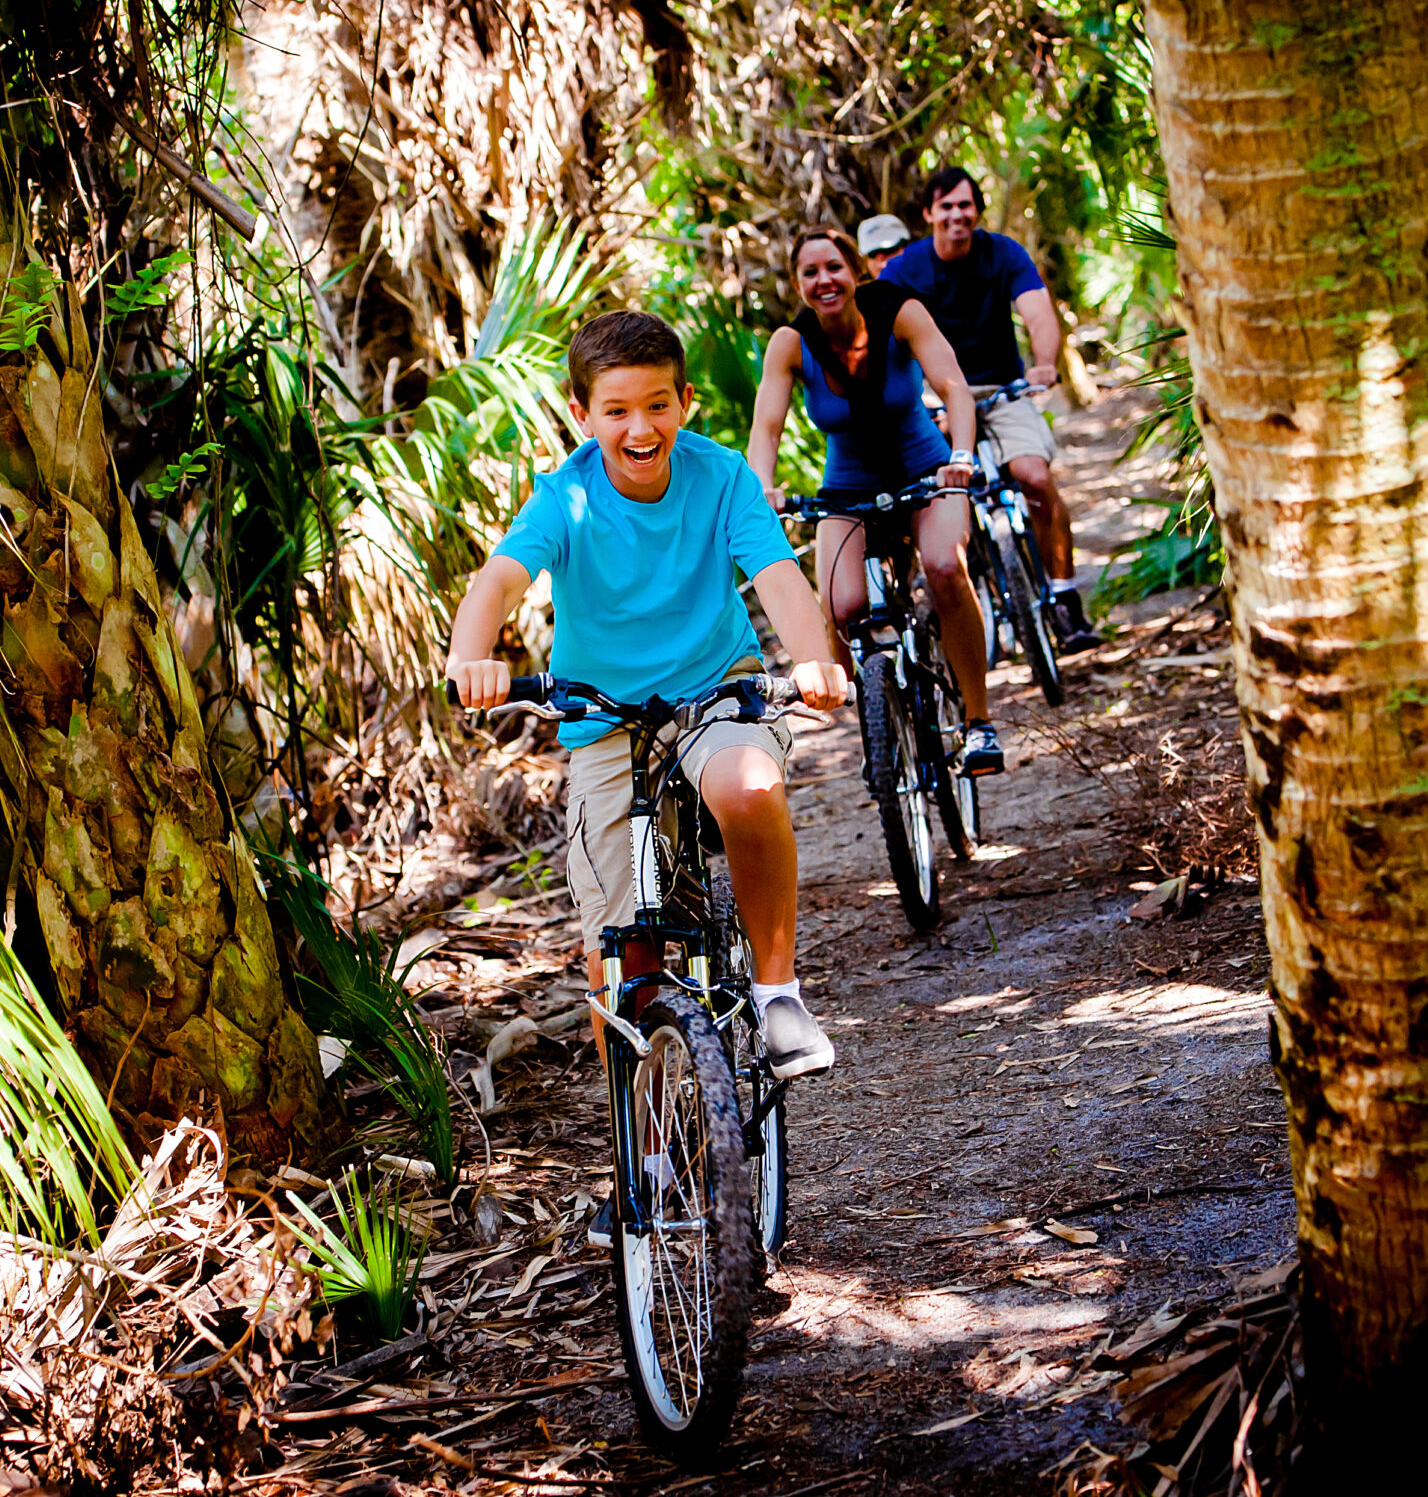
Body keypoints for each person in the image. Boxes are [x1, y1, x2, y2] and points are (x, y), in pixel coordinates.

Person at [446, 313, 852, 1241]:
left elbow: (781, 577)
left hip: (717, 694)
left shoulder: (719, 477)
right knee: (621, 954)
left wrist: (814, 656)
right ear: (583, 412)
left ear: (684, 402)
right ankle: (650, 1149)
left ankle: (779, 995)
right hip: (605, 721)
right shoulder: (566, 496)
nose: (640, 428)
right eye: (617, 409)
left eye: (658, 405)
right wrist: (475, 653)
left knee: (748, 787)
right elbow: (500, 580)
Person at [745, 226, 1007, 777]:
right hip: (847, 488)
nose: (824, 281)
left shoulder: (901, 312)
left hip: (928, 471)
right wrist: (760, 489)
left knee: (943, 567)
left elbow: (954, 387)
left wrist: (961, 455)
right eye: (810, 273)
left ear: (856, 271)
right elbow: (767, 428)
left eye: (833, 268)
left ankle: (979, 723)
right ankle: (879, 720)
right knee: (839, 610)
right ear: (797, 284)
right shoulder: (791, 344)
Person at [880, 166, 1104, 649]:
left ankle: (1064, 601)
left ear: (976, 210)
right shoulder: (905, 270)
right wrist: (910, 399)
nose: (957, 215)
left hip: (1001, 388)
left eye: (965, 205)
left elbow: (1036, 309)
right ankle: (932, 605)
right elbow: (883, 338)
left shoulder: (1002, 252)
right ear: (928, 214)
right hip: (934, 398)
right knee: (918, 496)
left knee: (1034, 477)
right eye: (946, 206)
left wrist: (1044, 364)